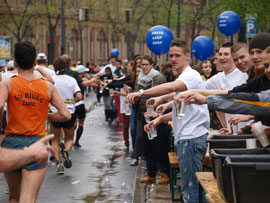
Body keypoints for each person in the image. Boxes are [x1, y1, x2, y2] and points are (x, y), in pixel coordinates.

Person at [126, 39, 209, 202]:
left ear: (187, 56)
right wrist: (161, 113)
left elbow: (172, 87)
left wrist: (141, 93)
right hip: (187, 138)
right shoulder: (185, 77)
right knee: (194, 190)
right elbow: (183, 107)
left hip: (191, 139)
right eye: (171, 55)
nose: (173, 59)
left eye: (177, 55)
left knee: (190, 192)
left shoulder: (190, 75)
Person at [0, 42, 71, 203]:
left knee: (13, 196)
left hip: (12, 142)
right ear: (35, 62)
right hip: (37, 143)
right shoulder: (47, 87)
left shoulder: (7, 83)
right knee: (28, 198)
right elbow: (66, 115)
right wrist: (46, 116)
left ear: (15, 62)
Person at [50, 58, 82, 175]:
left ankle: (59, 164)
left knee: (55, 139)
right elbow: (79, 96)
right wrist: (70, 101)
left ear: (54, 68)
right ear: (66, 68)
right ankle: (66, 150)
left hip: (55, 112)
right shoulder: (72, 80)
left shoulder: (51, 81)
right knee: (69, 139)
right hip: (69, 113)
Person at [74, 65, 89, 148]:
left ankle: (67, 140)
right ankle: (76, 141)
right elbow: (91, 84)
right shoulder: (82, 79)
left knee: (73, 124)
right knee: (81, 123)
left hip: (72, 104)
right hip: (80, 103)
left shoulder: (72, 79)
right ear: (82, 72)